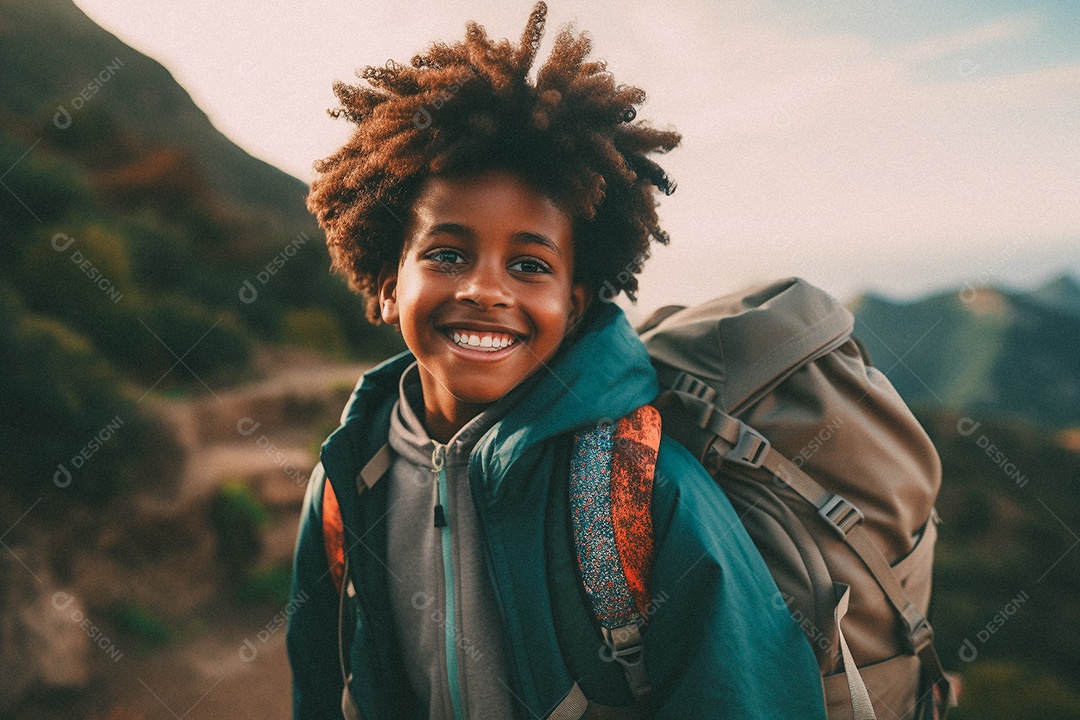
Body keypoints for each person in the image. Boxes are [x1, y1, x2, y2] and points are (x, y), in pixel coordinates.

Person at [287, 3, 827, 718]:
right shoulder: (348, 478)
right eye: (447, 254)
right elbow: (319, 685)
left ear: (574, 305)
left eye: (529, 264)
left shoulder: (639, 489)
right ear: (387, 286)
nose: (484, 288)